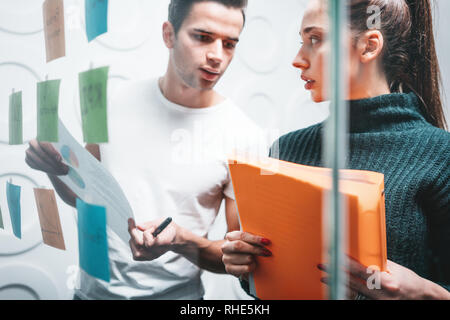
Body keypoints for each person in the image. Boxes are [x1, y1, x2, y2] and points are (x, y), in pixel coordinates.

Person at [26, 0, 265, 300]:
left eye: (229, 44)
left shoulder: (245, 137)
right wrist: (55, 169)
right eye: (203, 37)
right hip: (90, 295)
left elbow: (237, 259)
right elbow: (84, 199)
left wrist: (180, 239)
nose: (217, 56)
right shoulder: (114, 101)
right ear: (168, 35)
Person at [221, 0, 450, 300]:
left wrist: (423, 293)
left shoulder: (439, 155)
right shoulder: (286, 149)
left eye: (315, 40)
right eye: (301, 42)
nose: (297, 60)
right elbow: (270, 284)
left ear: (369, 46)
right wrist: (246, 265)